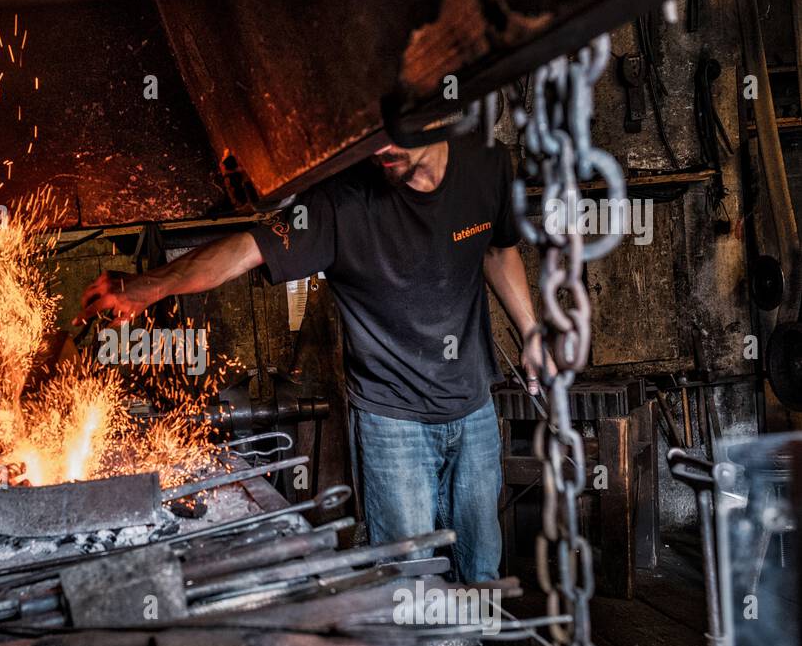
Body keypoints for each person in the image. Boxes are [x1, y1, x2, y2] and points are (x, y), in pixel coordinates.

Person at [75, 133, 544, 583]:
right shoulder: (338, 202)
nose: (380, 149)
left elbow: (499, 253)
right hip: (392, 419)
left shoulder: (486, 163)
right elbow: (243, 251)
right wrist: (153, 284)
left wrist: (531, 333)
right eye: (370, 136)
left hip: (474, 404)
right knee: (410, 577)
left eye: (392, 132)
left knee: (483, 569)